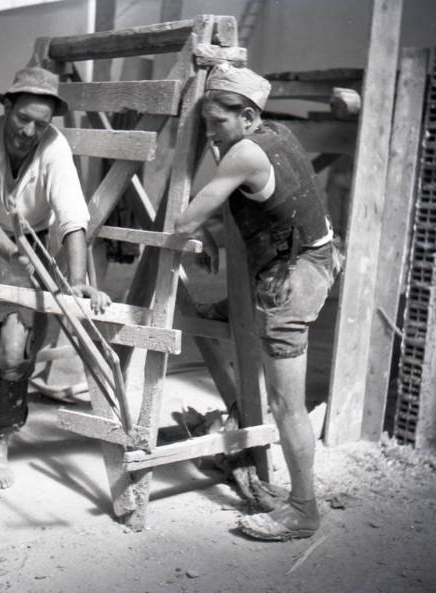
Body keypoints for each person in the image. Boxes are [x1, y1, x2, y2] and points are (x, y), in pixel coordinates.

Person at [174, 63, 341, 541]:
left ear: (247, 117)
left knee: (287, 405)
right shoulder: (275, 133)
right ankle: (235, 310)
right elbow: (258, 204)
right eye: (204, 120)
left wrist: (192, 228)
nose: (210, 131)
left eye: (217, 122)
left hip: (293, 280)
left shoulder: (243, 153)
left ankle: (303, 509)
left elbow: (184, 221)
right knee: (250, 311)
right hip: (317, 254)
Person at [0, 65, 110, 490]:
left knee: (13, 348)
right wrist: (11, 251)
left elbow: (72, 216)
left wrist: (78, 276)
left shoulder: (55, 147)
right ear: (6, 106)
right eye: (22, 118)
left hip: (30, 244)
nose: (29, 131)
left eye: (40, 124)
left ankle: (0, 442)